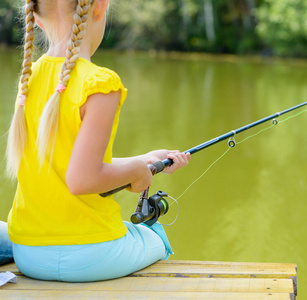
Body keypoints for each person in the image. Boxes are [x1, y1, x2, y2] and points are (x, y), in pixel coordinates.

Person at [5, 0, 190, 282]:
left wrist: (140, 161)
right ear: (100, 7)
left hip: (29, 253)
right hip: (90, 256)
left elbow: (68, 166)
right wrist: (139, 173)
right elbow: (81, 181)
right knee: (154, 237)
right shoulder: (100, 84)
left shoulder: (28, 80)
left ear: (38, 19)